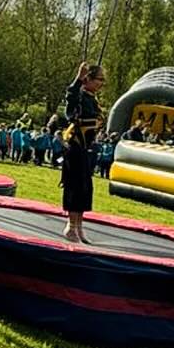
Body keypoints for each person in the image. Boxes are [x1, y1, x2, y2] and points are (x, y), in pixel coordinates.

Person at [61, 62, 106, 243]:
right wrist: (78, 78)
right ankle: (70, 226)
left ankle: (79, 225)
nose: (102, 84)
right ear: (88, 79)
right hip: (76, 146)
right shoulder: (79, 95)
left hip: (87, 149)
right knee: (75, 185)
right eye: (99, 80)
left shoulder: (92, 99)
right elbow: (70, 100)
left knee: (85, 188)